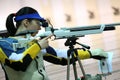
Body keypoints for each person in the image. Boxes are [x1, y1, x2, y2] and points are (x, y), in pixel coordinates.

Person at [0, 6, 108, 80]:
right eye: (38, 23)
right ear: (26, 22)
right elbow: (19, 63)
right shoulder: (4, 44)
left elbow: (62, 57)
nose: (40, 27)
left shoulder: (33, 43)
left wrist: (93, 53)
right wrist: (38, 46)